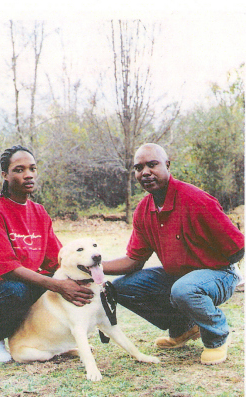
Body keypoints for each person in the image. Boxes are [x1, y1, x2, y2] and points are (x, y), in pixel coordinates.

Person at [102, 143, 244, 365]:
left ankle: (217, 337)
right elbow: (133, 262)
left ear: (167, 165)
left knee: (185, 289)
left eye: (152, 164)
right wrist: (93, 268)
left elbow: (238, 247)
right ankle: (183, 328)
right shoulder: (143, 210)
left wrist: (217, 278)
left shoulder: (196, 200)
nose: (145, 172)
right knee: (122, 288)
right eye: (139, 168)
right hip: (180, 278)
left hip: (220, 273)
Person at [0, 145, 94, 363]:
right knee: (18, 291)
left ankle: (47, 339)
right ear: (5, 175)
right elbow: (7, 269)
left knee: (58, 283)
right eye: (19, 169)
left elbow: (57, 260)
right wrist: (57, 285)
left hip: (23, 280)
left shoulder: (39, 212)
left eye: (32, 168)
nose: (28, 175)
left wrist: (83, 277)